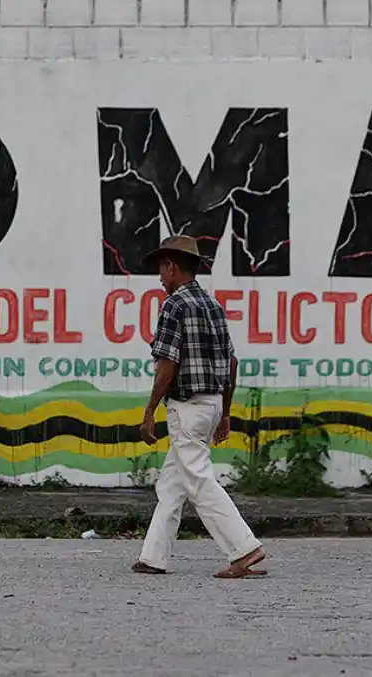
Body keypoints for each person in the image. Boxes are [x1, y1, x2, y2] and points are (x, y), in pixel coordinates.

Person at [131, 234, 267, 579]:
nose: (161, 278)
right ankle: (153, 557)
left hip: (188, 407)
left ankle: (244, 548)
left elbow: (167, 366)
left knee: (199, 479)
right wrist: (225, 412)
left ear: (171, 266)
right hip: (211, 406)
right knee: (173, 482)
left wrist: (149, 411)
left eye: (162, 270)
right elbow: (232, 363)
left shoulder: (174, 305)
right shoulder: (212, 306)